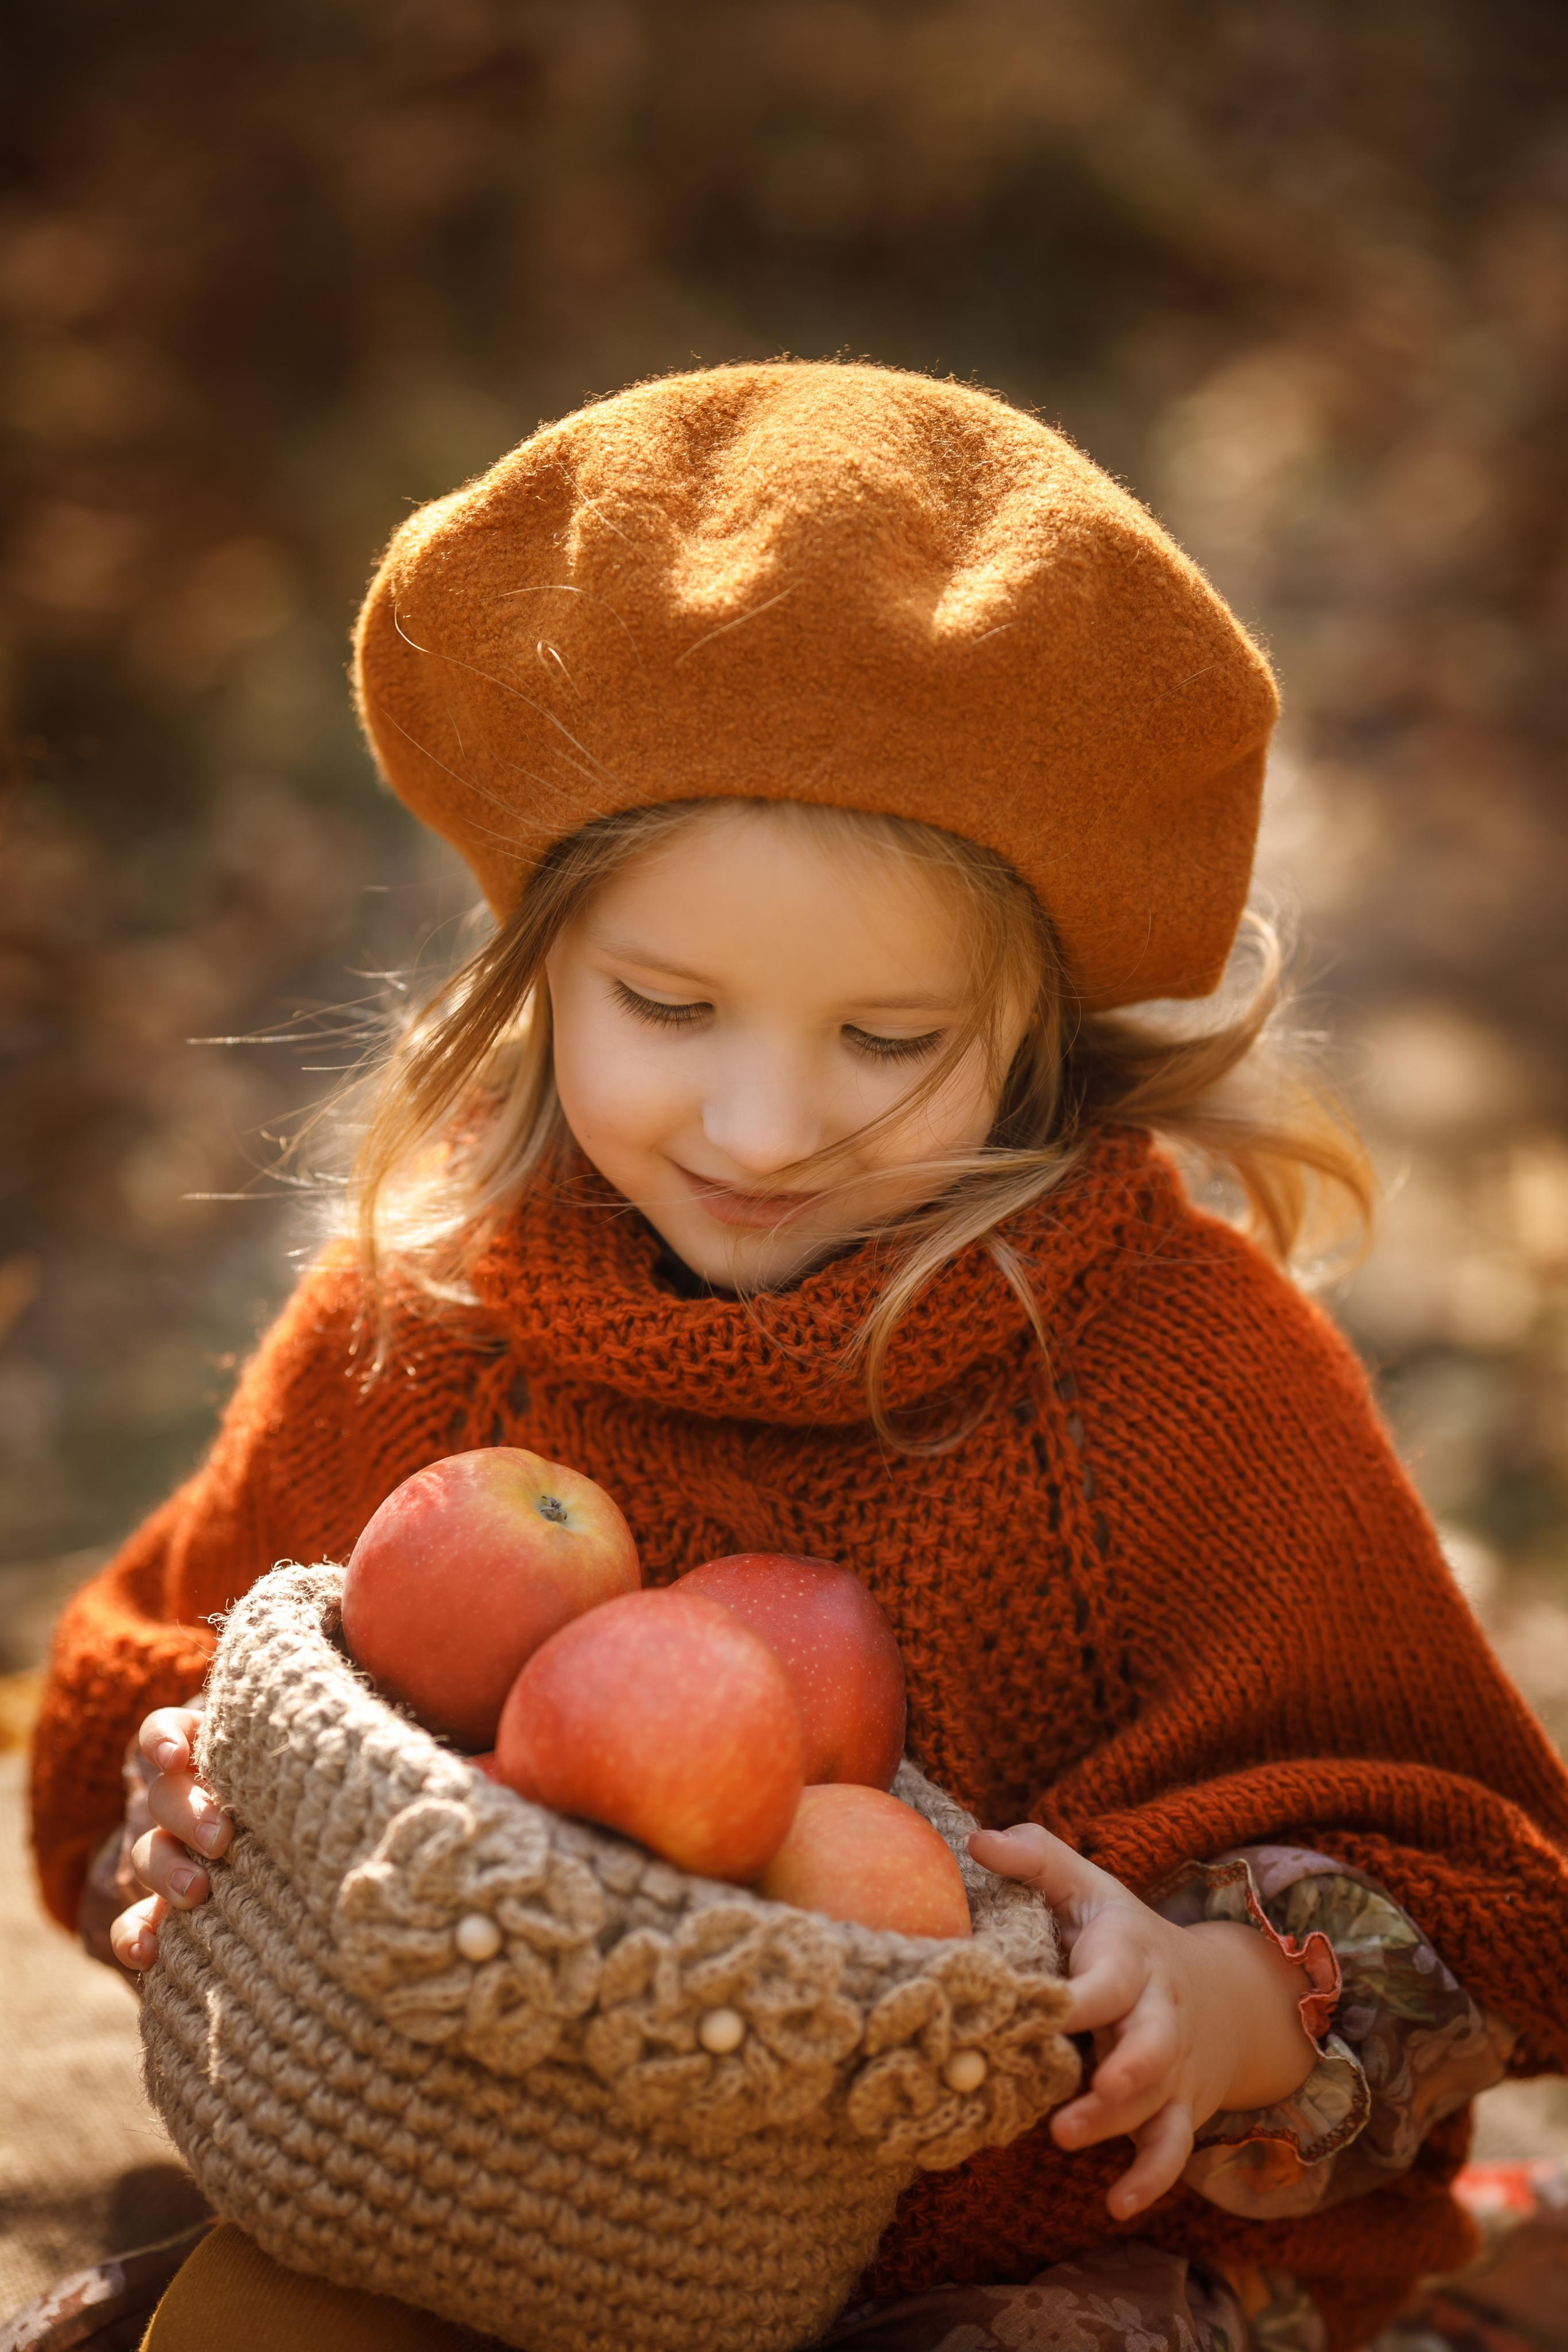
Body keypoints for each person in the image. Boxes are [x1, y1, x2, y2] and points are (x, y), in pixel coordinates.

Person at [29, 363, 1568, 2352]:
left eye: (886, 1042)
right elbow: (150, 1670)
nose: (764, 1129)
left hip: (1025, 2252)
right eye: (668, 1006)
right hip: (500, 2229)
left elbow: (1467, 1865)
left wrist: (1225, 2005)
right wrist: (175, 1809)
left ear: (1033, 1030)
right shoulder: (440, 1330)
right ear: (535, 967)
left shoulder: (1168, 1374)